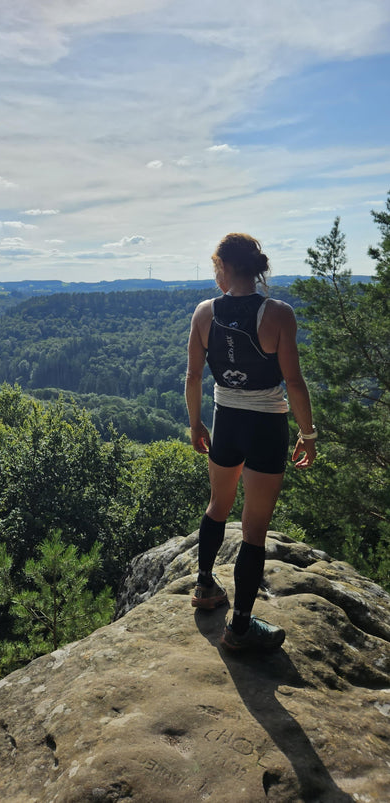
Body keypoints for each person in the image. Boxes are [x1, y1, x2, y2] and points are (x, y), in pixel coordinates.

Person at [185, 233, 316, 652]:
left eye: (215, 268)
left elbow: (193, 377)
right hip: (265, 426)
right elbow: (293, 381)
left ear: (225, 267)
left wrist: (195, 424)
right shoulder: (278, 313)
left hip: (225, 422)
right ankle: (240, 627)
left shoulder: (204, 313)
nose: (214, 275)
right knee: (254, 528)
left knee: (217, 506)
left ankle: (205, 588)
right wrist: (308, 434)